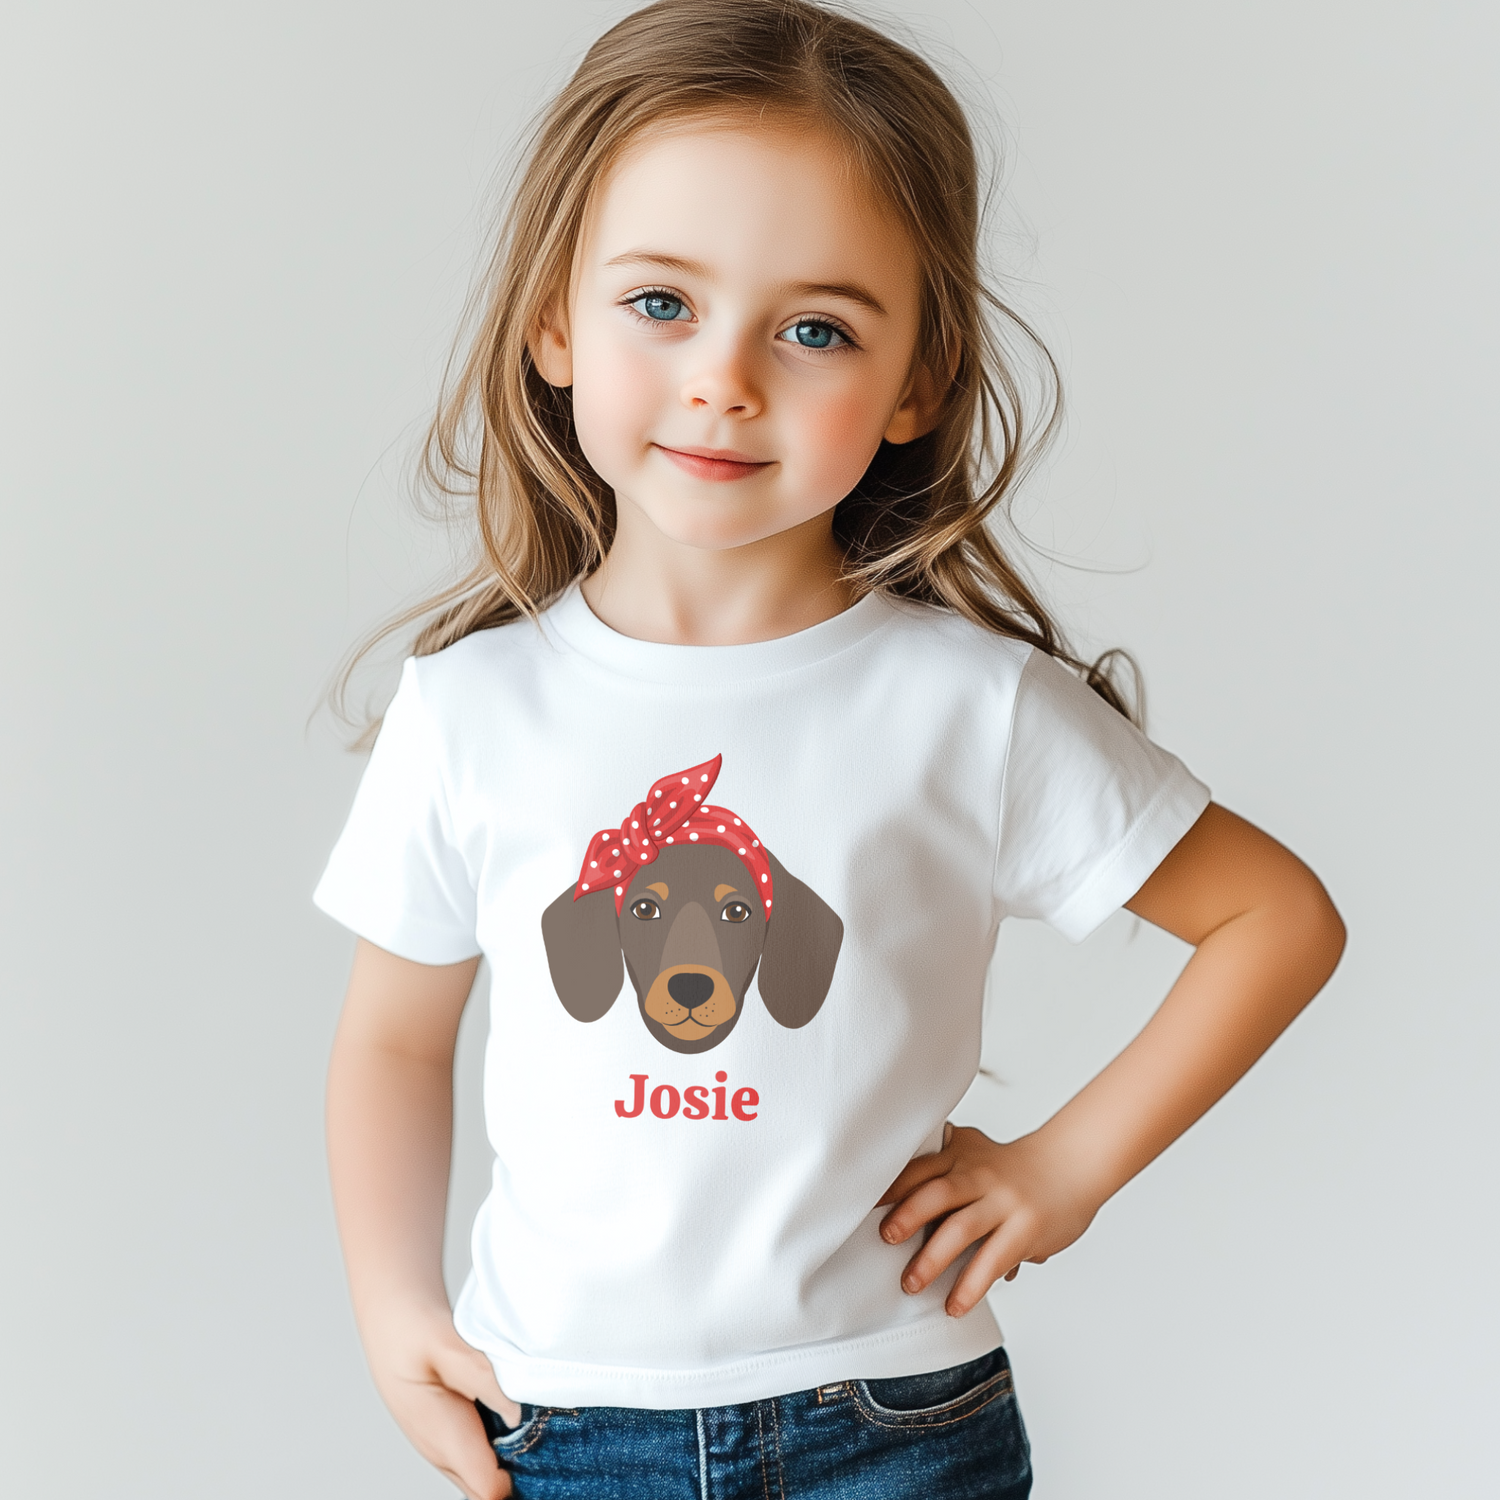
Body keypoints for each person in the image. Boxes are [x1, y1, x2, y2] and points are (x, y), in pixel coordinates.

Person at [315, 2, 1346, 1495]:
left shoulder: (966, 706)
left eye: (815, 329)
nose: (725, 377)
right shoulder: (472, 709)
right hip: (563, 1426)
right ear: (552, 318)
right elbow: (394, 1036)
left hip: (893, 1425)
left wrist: (1065, 1169)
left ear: (919, 382)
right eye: (660, 302)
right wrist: (394, 1308)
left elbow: (1277, 919)